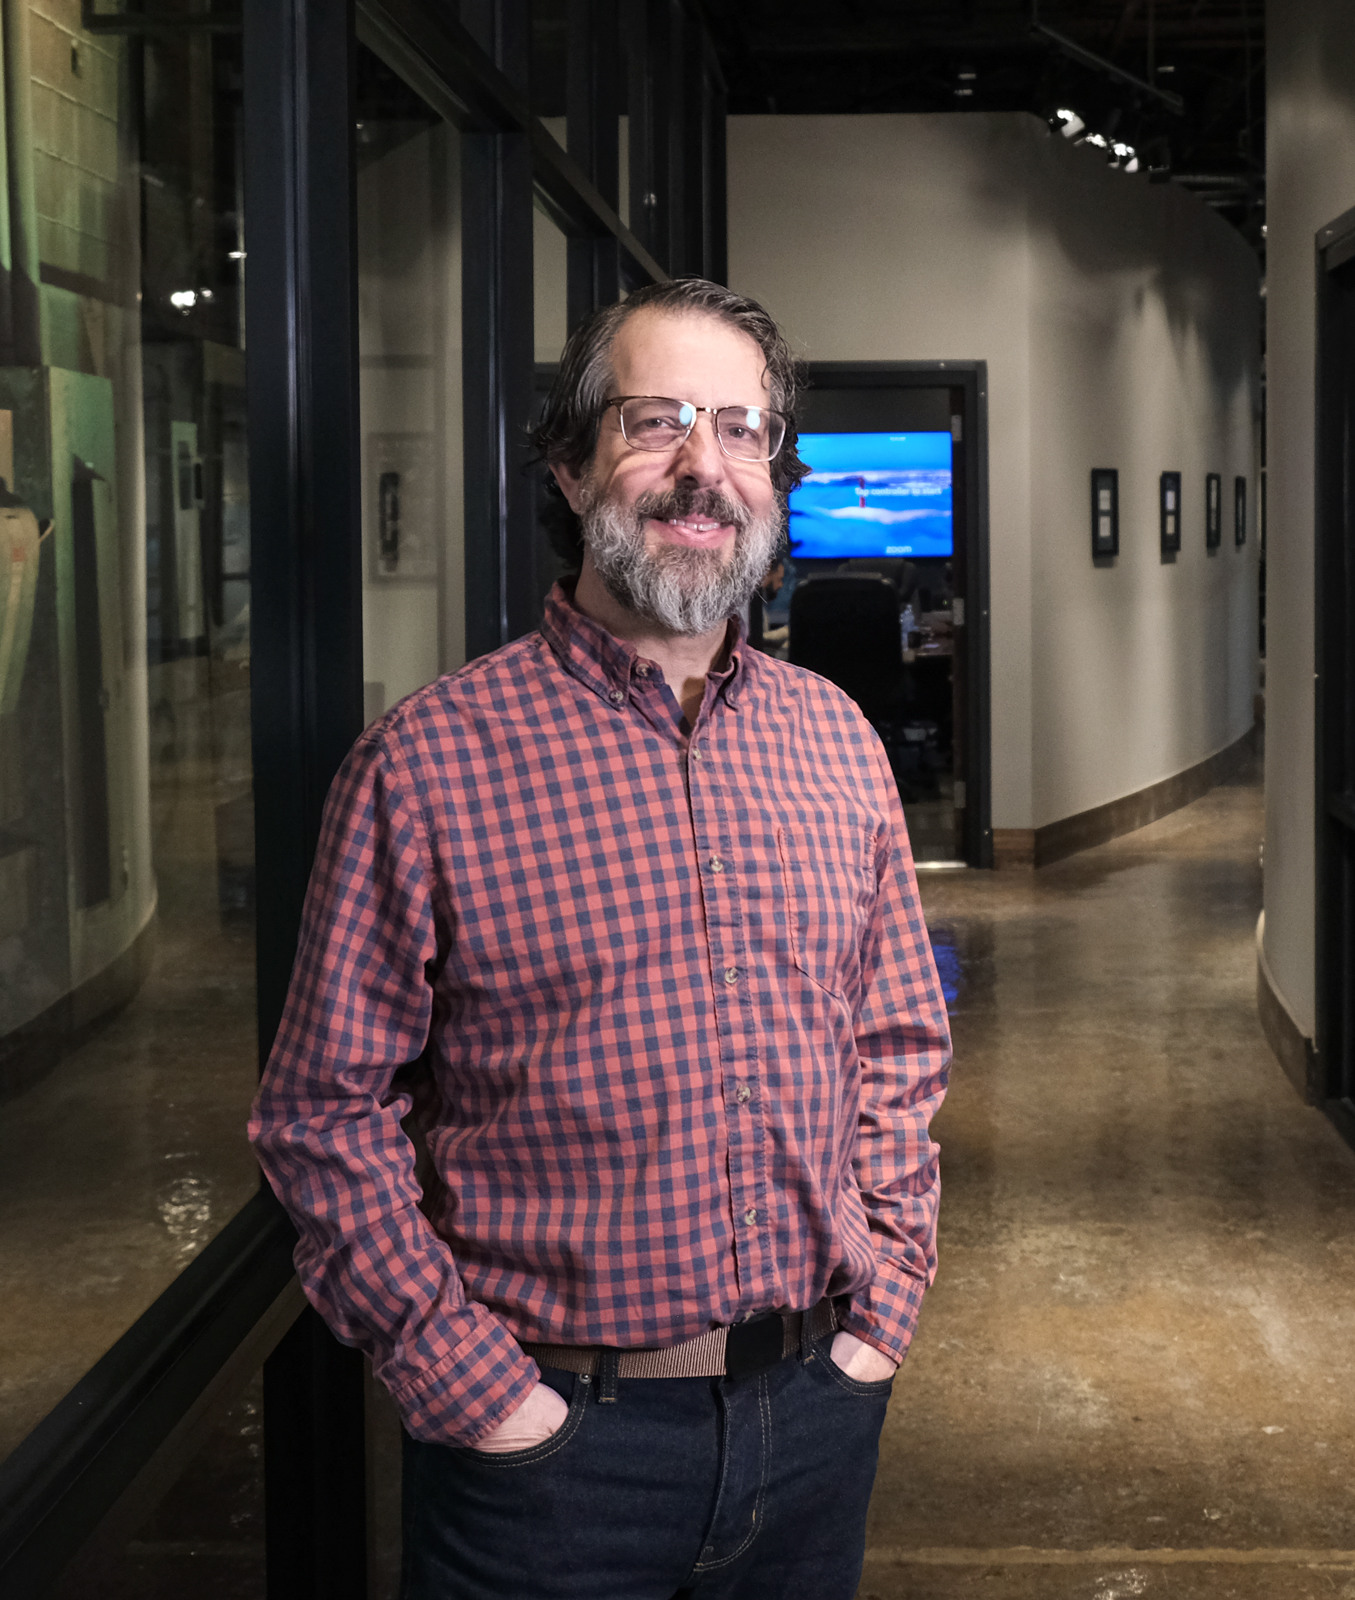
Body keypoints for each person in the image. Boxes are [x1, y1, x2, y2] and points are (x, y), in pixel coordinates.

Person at [249, 277, 951, 1598]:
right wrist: (477, 1390)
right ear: (571, 470)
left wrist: (884, 1310)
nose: (704, 468)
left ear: (775, 479)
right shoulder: (426, 766)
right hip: (549, 1467)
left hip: (816, 1421)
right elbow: (322, 1115)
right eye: (655, 421)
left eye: (741, 430)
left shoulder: (837, 742)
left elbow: (898, 1042)